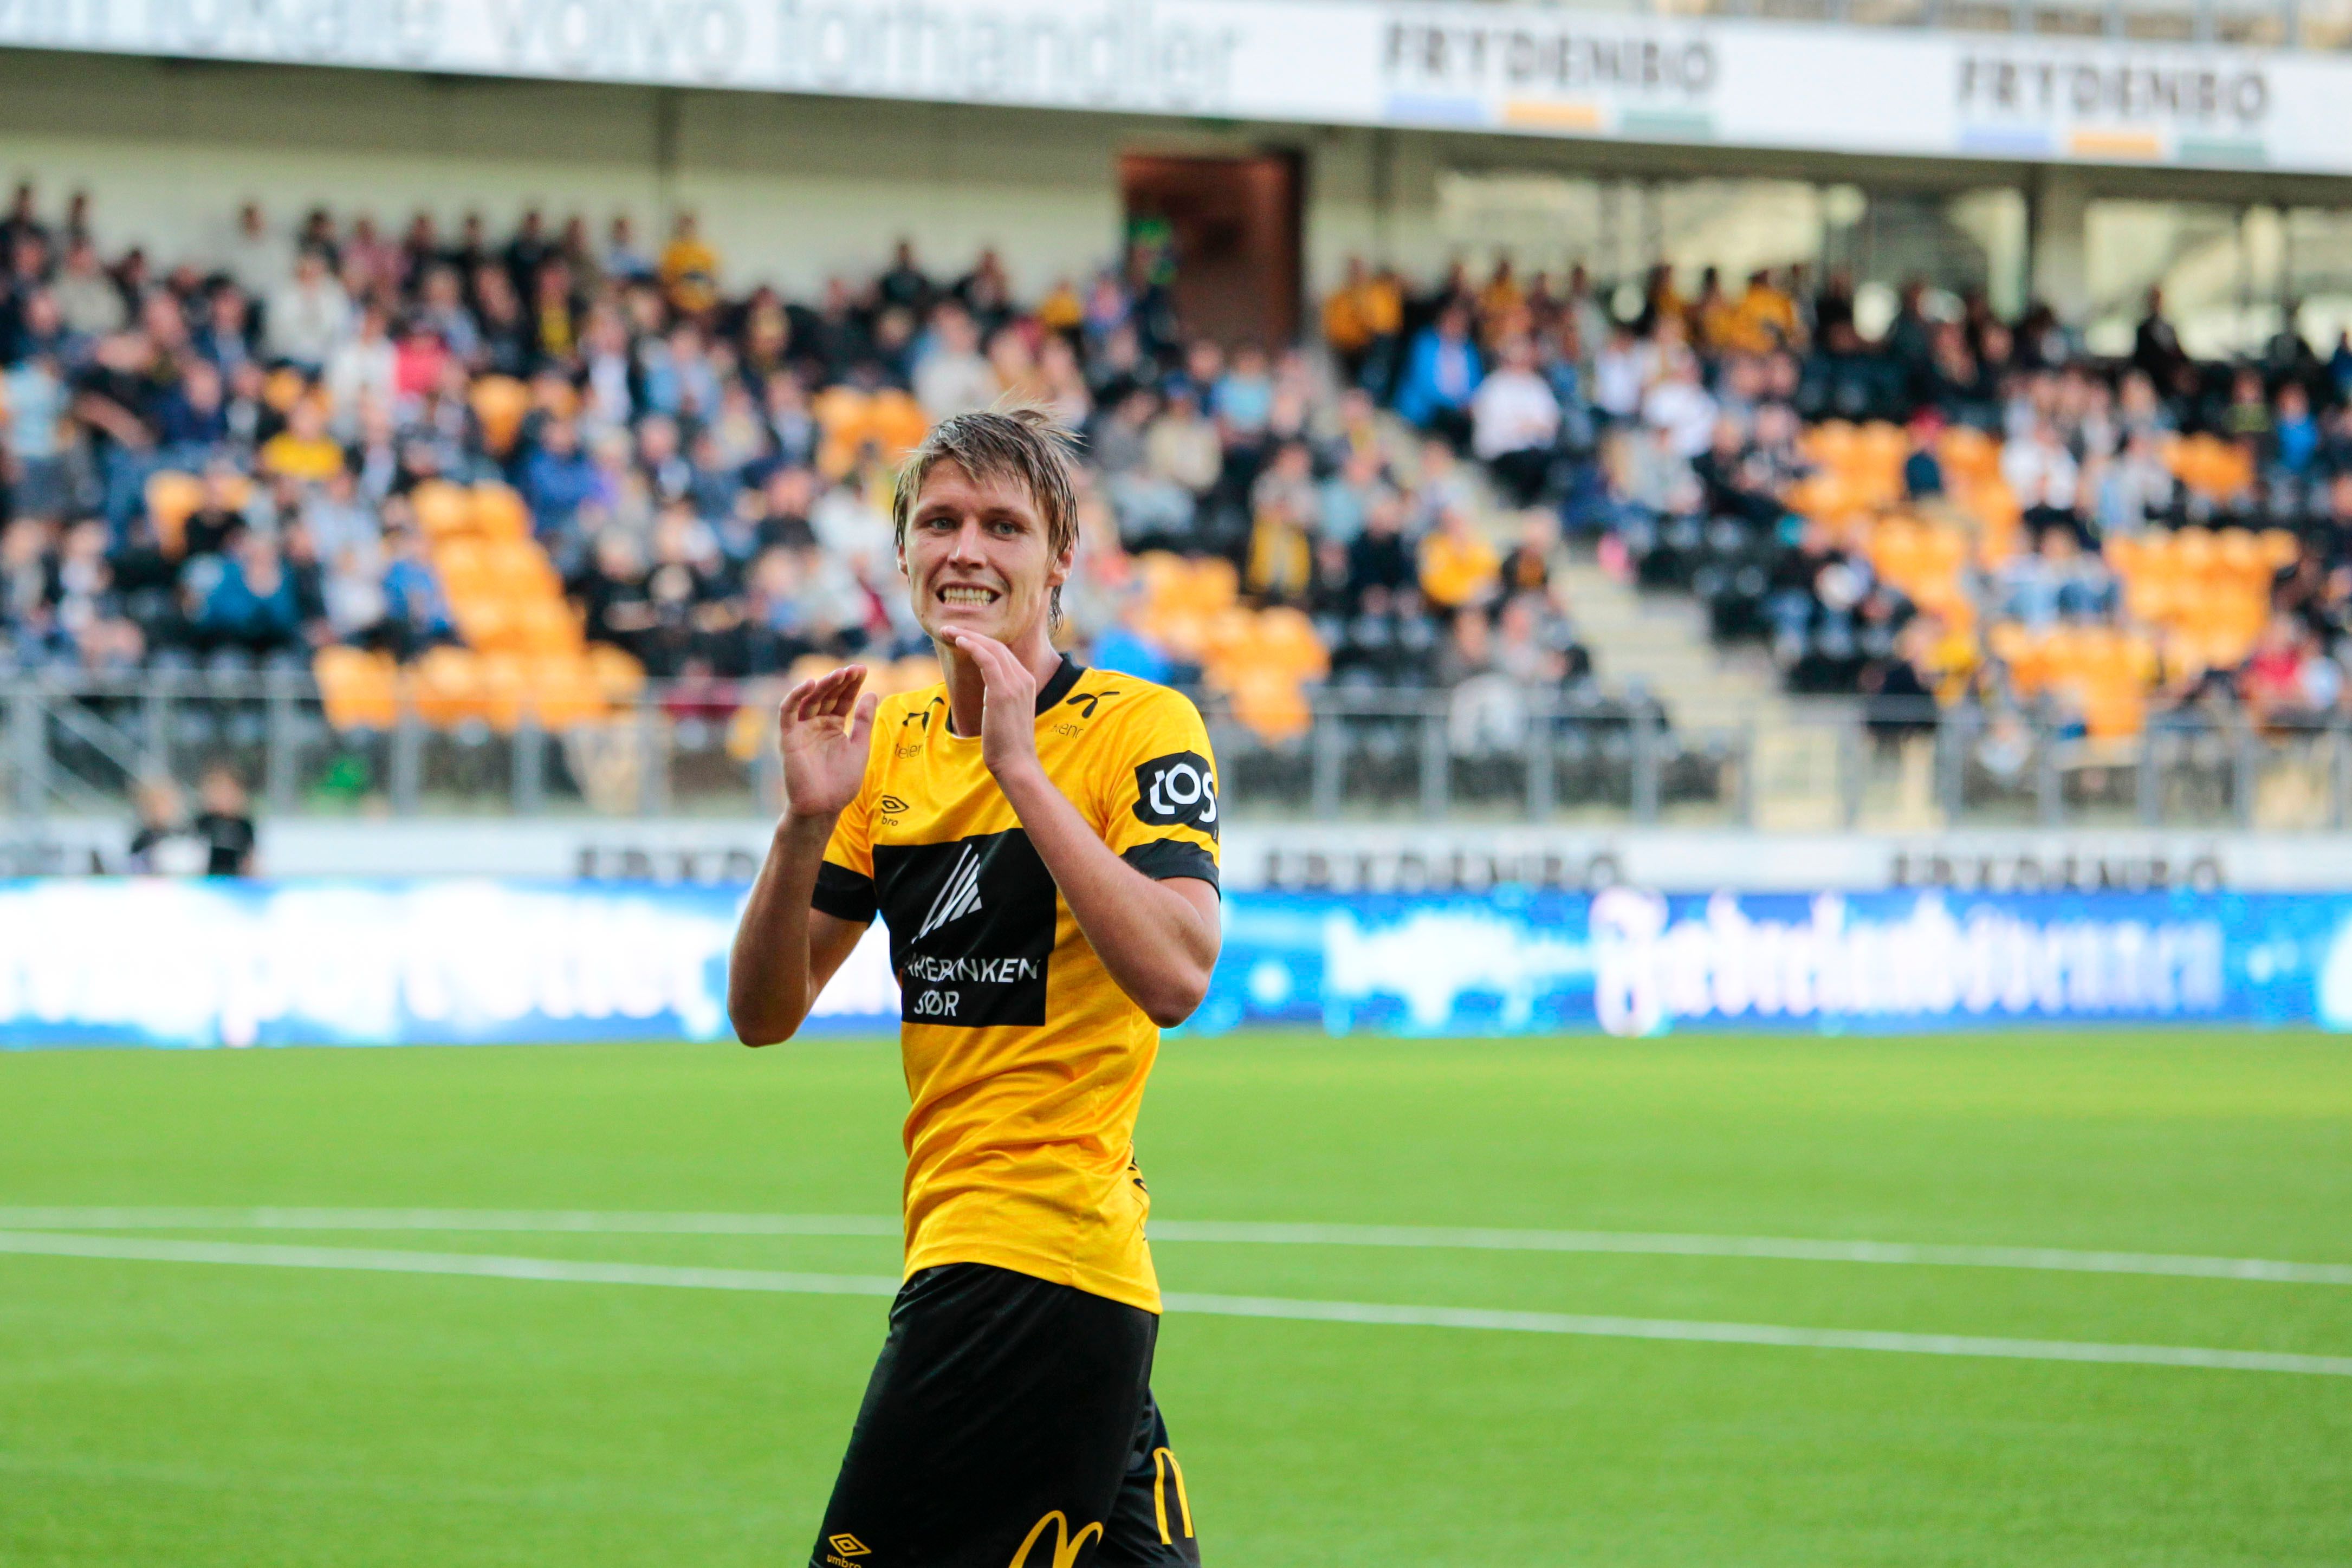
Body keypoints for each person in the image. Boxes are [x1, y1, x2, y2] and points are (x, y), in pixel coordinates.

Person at [728, 408, 1217, 1565]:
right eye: (940, 521)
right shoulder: (884, 742)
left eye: (1004, 525)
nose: (966, 550)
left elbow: (1176, 973)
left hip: (1022, 1263)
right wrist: (802, 824)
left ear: (1061, 560)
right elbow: (763, 1013)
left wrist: (1019, 768)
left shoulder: (1140, 725)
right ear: (901, 553)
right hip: (1052, 1280)